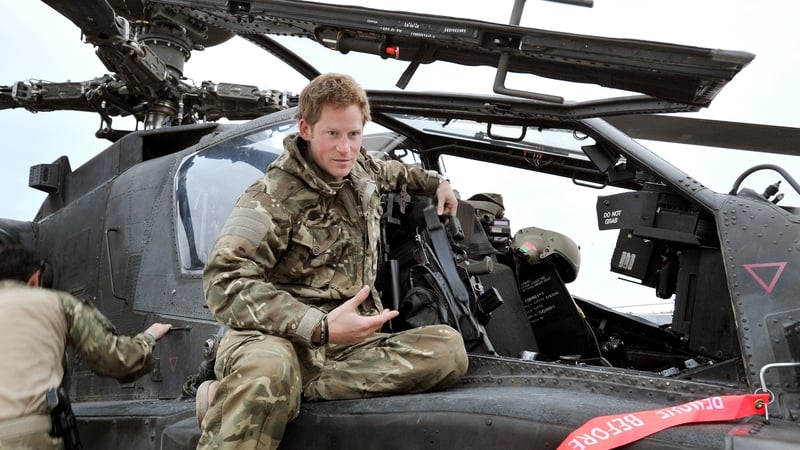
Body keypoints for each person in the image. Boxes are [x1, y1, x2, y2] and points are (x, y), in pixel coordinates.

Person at [198, 73, 469, 449]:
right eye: (333, 135)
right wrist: (319, 325)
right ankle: (273, 385)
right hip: (278, 338)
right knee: (269, 371)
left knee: (448, 350)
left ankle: (299, 387)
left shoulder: (361, 169)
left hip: (348, 346)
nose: (345, 148)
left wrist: (438, 183)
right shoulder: (270, 197)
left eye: (354, 135)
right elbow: (223, 282)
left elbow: (398, 172)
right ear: (306, 129)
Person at [0, 243, 172, 449]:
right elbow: (116, 360)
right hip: (29, 438)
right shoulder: (57, 303)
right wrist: (148, 338)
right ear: (35, 279)